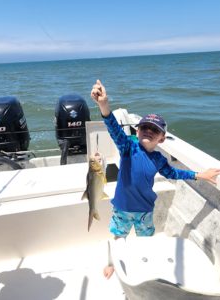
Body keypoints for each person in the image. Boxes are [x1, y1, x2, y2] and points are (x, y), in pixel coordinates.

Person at [91, 79, 220, 279]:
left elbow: (174, 173)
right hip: (122, 208)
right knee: (118, 237)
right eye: (144, 128)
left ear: (162, 138)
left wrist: (199, 175)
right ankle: (113, 264)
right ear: (137, 131)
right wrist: (103, 105)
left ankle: (145, 267)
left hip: (145, 211)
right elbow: (113, 127)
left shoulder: (159, 159)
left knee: (146, 241)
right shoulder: (128, 147)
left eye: (155, 130)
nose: (148, 131)